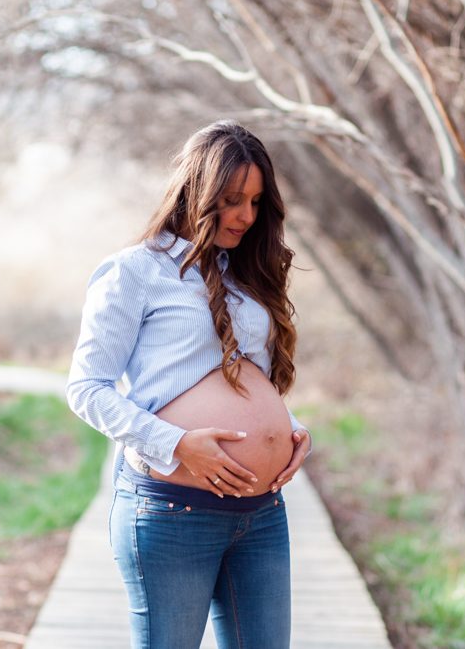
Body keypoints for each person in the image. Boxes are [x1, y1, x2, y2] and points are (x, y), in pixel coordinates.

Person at [65, 119, 312, 649]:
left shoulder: (246, 273)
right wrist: (177, 444)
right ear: (194, 191)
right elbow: (87, 388)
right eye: (231, 200)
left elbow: (247, 379)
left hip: (261, 515)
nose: (246, 216)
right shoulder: (135, 271)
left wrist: (289, 430)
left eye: (256, 202)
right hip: (173, 513)